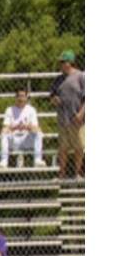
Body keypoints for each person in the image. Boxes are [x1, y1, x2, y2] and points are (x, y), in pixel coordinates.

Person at [49, 50, 85, 179]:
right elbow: (52, 94)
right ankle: (62, 172)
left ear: (70, 62)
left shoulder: (80, 76)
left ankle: (77, 172)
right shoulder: (59, 79)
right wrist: (54, 99)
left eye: (63, 62)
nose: (61, 64)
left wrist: (81, 114)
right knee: (63, 148)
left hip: (77, 119)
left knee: (78, 147)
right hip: (63, 118)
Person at [0, 89, 44, 168]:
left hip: (26, 138)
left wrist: (26, 126)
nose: (20, 99)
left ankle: (37, 159)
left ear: (26, 97)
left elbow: (36, 128)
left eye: (22, 96)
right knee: (4, 133)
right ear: (15, 97)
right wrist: (14, 127)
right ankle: (4, 160)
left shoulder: (31, 110)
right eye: (18, 96)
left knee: (38, 133)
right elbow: (5, 128)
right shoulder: (9, 110)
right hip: (14, 139)